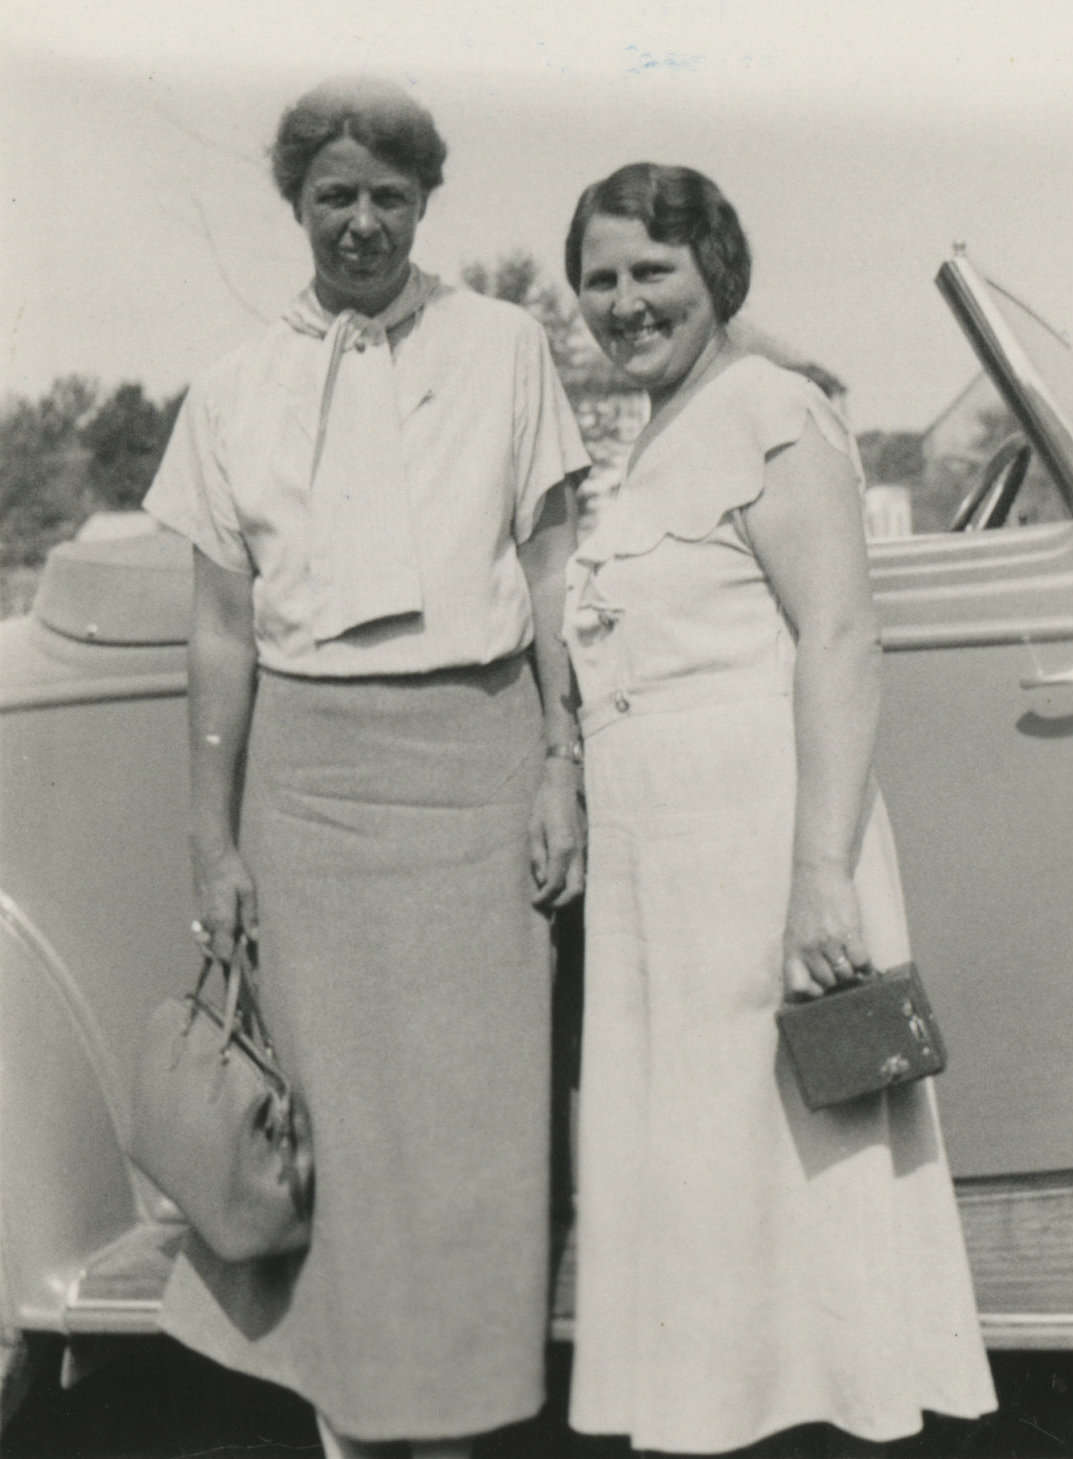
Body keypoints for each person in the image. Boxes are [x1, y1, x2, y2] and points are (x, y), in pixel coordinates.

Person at [143, 76, 591, 1459]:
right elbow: (222, 634)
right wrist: (215, 846)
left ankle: (449, 1436)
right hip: (310, 792)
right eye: (334, 194)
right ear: (297, 205)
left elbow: (556, 571)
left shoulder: (509, 346)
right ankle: (350, 1436)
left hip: (475, 768)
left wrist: (561, 763)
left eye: (388, 196)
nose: (362, 222)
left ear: (425, 201)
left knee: (465, 1152)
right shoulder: (231, 388)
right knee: (331, 1144)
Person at [561, 163, 997, 1456]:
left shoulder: (770, 411)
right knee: (709, 1196)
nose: (627, 301)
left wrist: (821, 877)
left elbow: (843, 643)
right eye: (602, 277)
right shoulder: (663, 431)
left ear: (715, 277)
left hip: (766, 863)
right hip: (665, 882)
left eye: (655, 272)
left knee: (797, 1190)